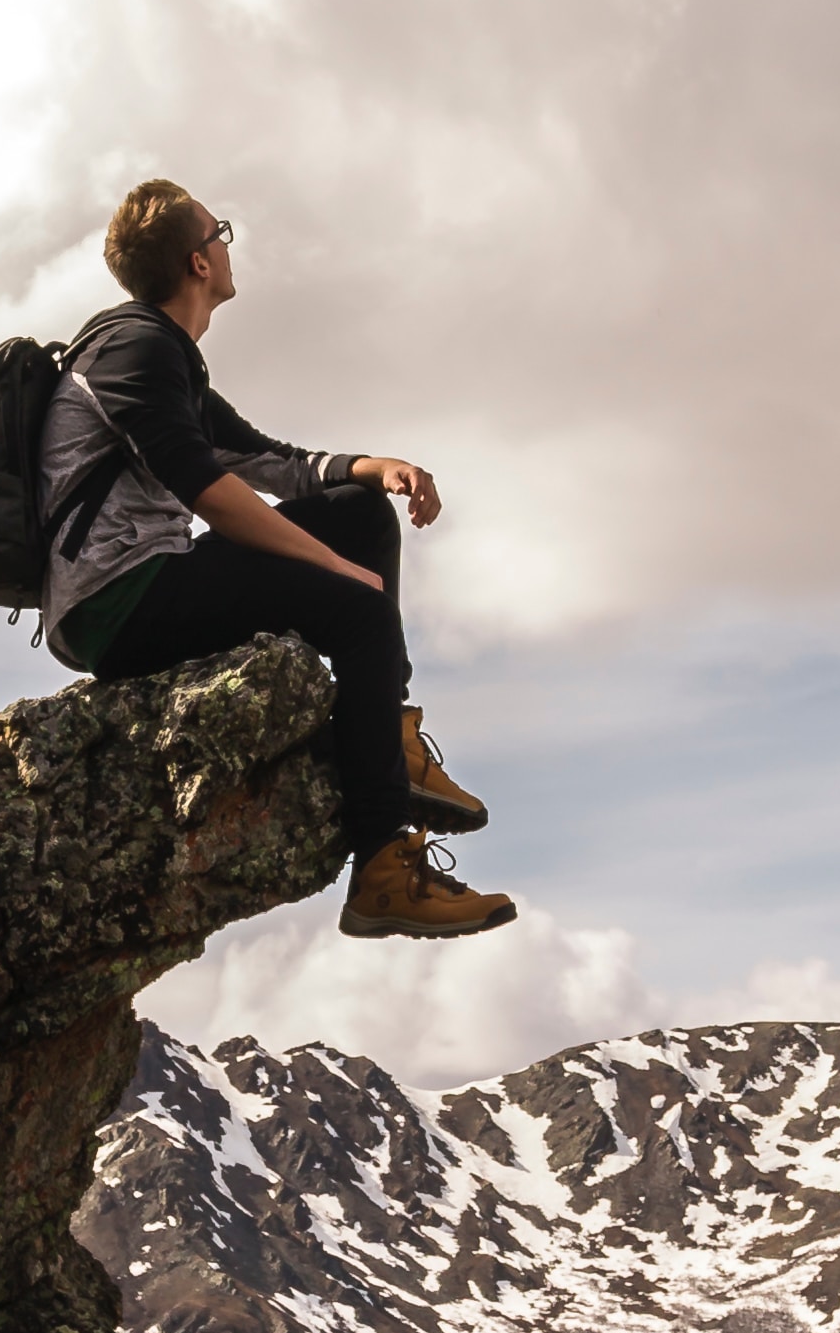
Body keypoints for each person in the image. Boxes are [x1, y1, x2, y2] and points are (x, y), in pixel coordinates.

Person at [39, 179, 513, 941]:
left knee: (359, 510)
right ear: (198, 263)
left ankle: (387, 730)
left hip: (148, 583)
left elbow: (265, 460)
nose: (228, 246)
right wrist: (332, 569)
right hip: (116, 604)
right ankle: (385, 870)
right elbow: (214, 495)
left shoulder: (168, 358)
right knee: (357, 610)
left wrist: (373, 466)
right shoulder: (133, 349)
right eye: (220, 232)